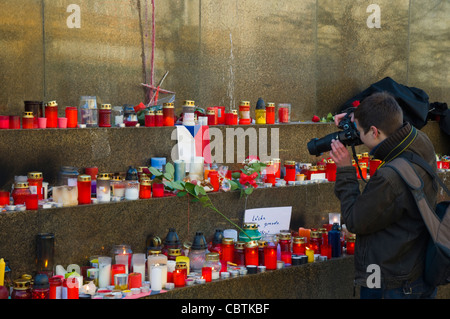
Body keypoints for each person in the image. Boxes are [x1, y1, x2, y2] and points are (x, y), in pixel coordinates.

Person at [329, 91, 438, 299]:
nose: (358, 136)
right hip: (417, 268)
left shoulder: (389, 179)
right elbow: (384, 122)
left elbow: (354, 220)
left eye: (360, 131)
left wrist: (344, 170)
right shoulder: (420, 141)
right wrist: (356, 115)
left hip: (386, 280)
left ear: (374, 131)